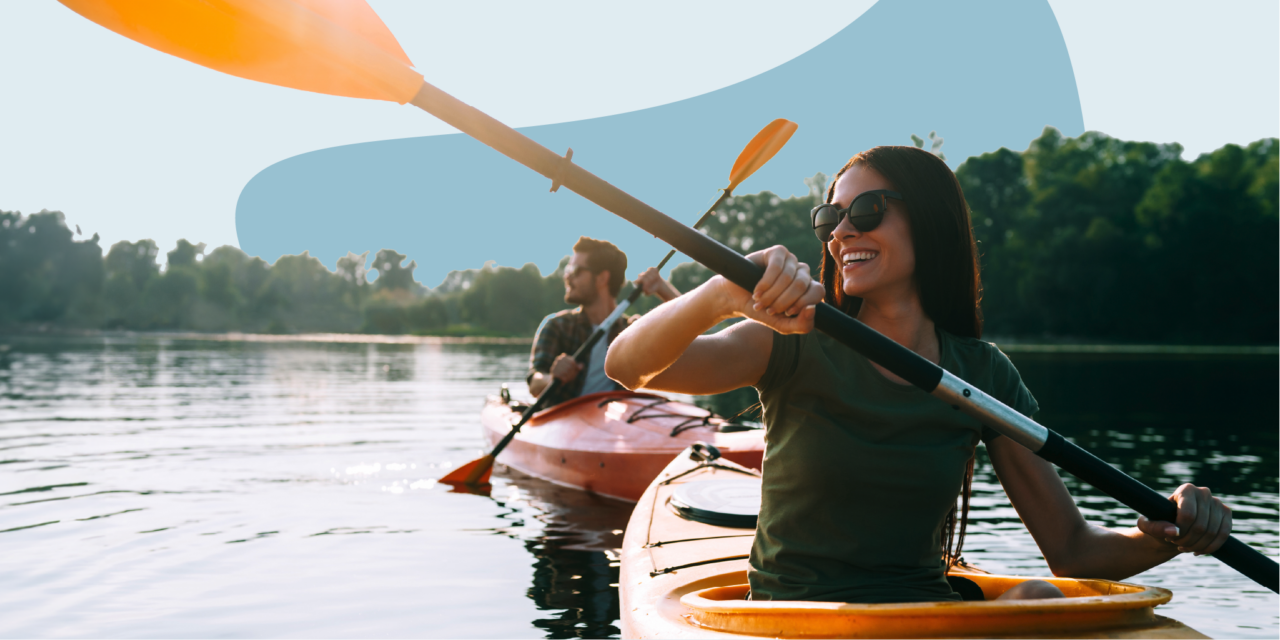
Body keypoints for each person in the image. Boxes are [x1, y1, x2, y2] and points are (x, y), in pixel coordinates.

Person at [605, 146, 1232, 603]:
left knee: (1039, 596)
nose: (843, 230)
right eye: (831, 220)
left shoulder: (983, 376)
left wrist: (1170, 533)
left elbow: (1071, 550)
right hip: (794, 618)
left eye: (868, 210)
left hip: (922, 615)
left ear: (928, 221)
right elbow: (627, 366)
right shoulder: (793, 339)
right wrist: (719, 293)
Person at [528, 236, 679, 408]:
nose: (567, 277)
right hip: (561, 422)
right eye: (568, 270)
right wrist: (553, 378)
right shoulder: (557, 326)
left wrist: (662, 288)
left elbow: (689, 328)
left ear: (602, 278)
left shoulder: (632, 331)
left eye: (575, 270)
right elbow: (534, 383)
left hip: (613, 425)